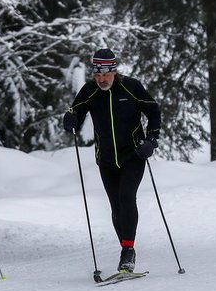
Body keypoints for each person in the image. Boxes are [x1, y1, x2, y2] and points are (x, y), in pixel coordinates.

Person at [63, 48, 160, 274]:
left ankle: (128, 251)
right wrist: (70, 120)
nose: (102, 79)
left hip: (133, 155)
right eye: (98, 75)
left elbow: (153, 111)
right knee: (116, 207)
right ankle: (125, 248)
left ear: (114, 71)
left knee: (127, 197)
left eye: (106, 74)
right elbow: (75, 113)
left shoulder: (131, 87)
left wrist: (151, 141)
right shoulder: (89, 91)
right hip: (106, 159)